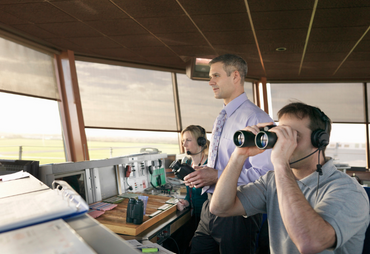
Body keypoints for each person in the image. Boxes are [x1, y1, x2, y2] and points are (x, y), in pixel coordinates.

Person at [210, 102, 370, 254]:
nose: (283, 143)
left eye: (293, 137)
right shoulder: (272, 180)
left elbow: (309, 243)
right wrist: (239, 155)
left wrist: (280, 163)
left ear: (319, 141)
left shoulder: (348, 190)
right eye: (281, 134)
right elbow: (220, 207)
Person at [185, 54, 274, 254]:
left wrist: (217, 176)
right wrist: (207, 171)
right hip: (211, 205)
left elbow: (268, 173)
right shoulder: (223, 116)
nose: (210, 82)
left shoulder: (257, 118)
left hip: (238, 210)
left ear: (235, 76)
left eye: (216, 75)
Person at [165, 125, 210, 254]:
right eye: (183, 141)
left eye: (188, 140)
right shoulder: (188, 164)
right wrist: (187, 202)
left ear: (201, 142)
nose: (184, 145)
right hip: (194, 217)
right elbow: (191, 193)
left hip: (207, 221)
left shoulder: (210, 166)